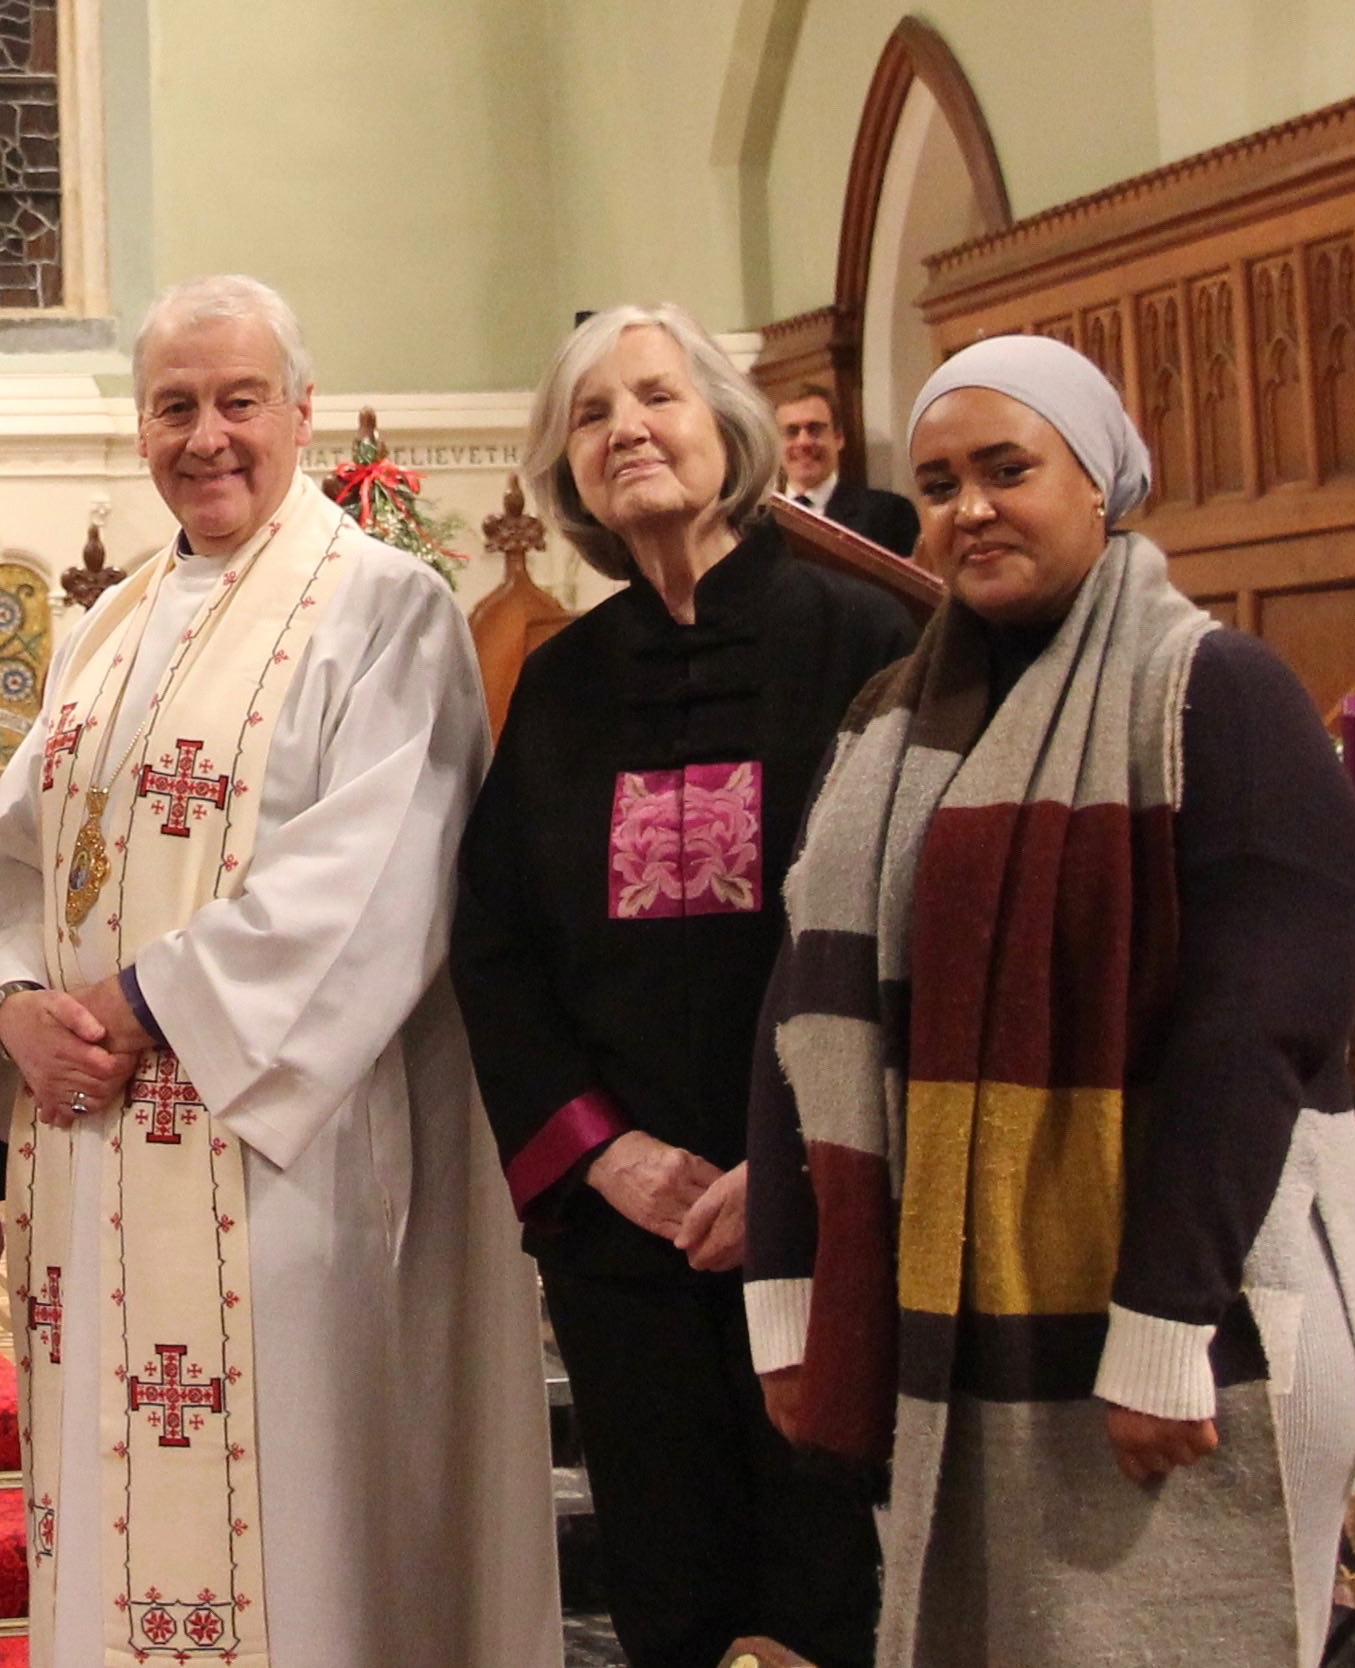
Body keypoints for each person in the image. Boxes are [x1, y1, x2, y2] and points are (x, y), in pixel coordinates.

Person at [745, 334, 1355, 1665]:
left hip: (1198, 1320)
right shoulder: (891, 724)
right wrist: (793, 1295)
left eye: (1006, 469)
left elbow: (1255, 1029)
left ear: (1100, 481)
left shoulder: (1216, 693)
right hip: (964, 1329)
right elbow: (798, 1008)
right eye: (936, 484)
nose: (968, 508)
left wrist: (1167, 1327)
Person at [0, 275, 559, 1668]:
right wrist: (9, 1009)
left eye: (239, 402)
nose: (207, 435)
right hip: (100, 1170)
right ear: (142, 428)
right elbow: (5, 863)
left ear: (300, 412)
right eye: (175, 406)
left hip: (288, 1172)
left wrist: (139, 1003)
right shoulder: (106, 631)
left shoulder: (384, 611)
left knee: (303, 1551)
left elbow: (377, 877)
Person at [452, 304, 910, 1668]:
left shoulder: (867, 642)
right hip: (631, 1236)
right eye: (590, 416)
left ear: (730, 427)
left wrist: (790, 1166)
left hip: (829, 1211)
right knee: (670, 1591)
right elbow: (495, 946)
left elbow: (904, 932)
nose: (625, 430)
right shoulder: (563, 680)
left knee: (836, 1589)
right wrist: (607, 1155)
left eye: (654, 397)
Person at [775, 383, 920, 557]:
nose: (803, 442)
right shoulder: (754, 523)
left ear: (838, 437)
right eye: (792, 431)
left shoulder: (889, 514)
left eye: (815, 429)